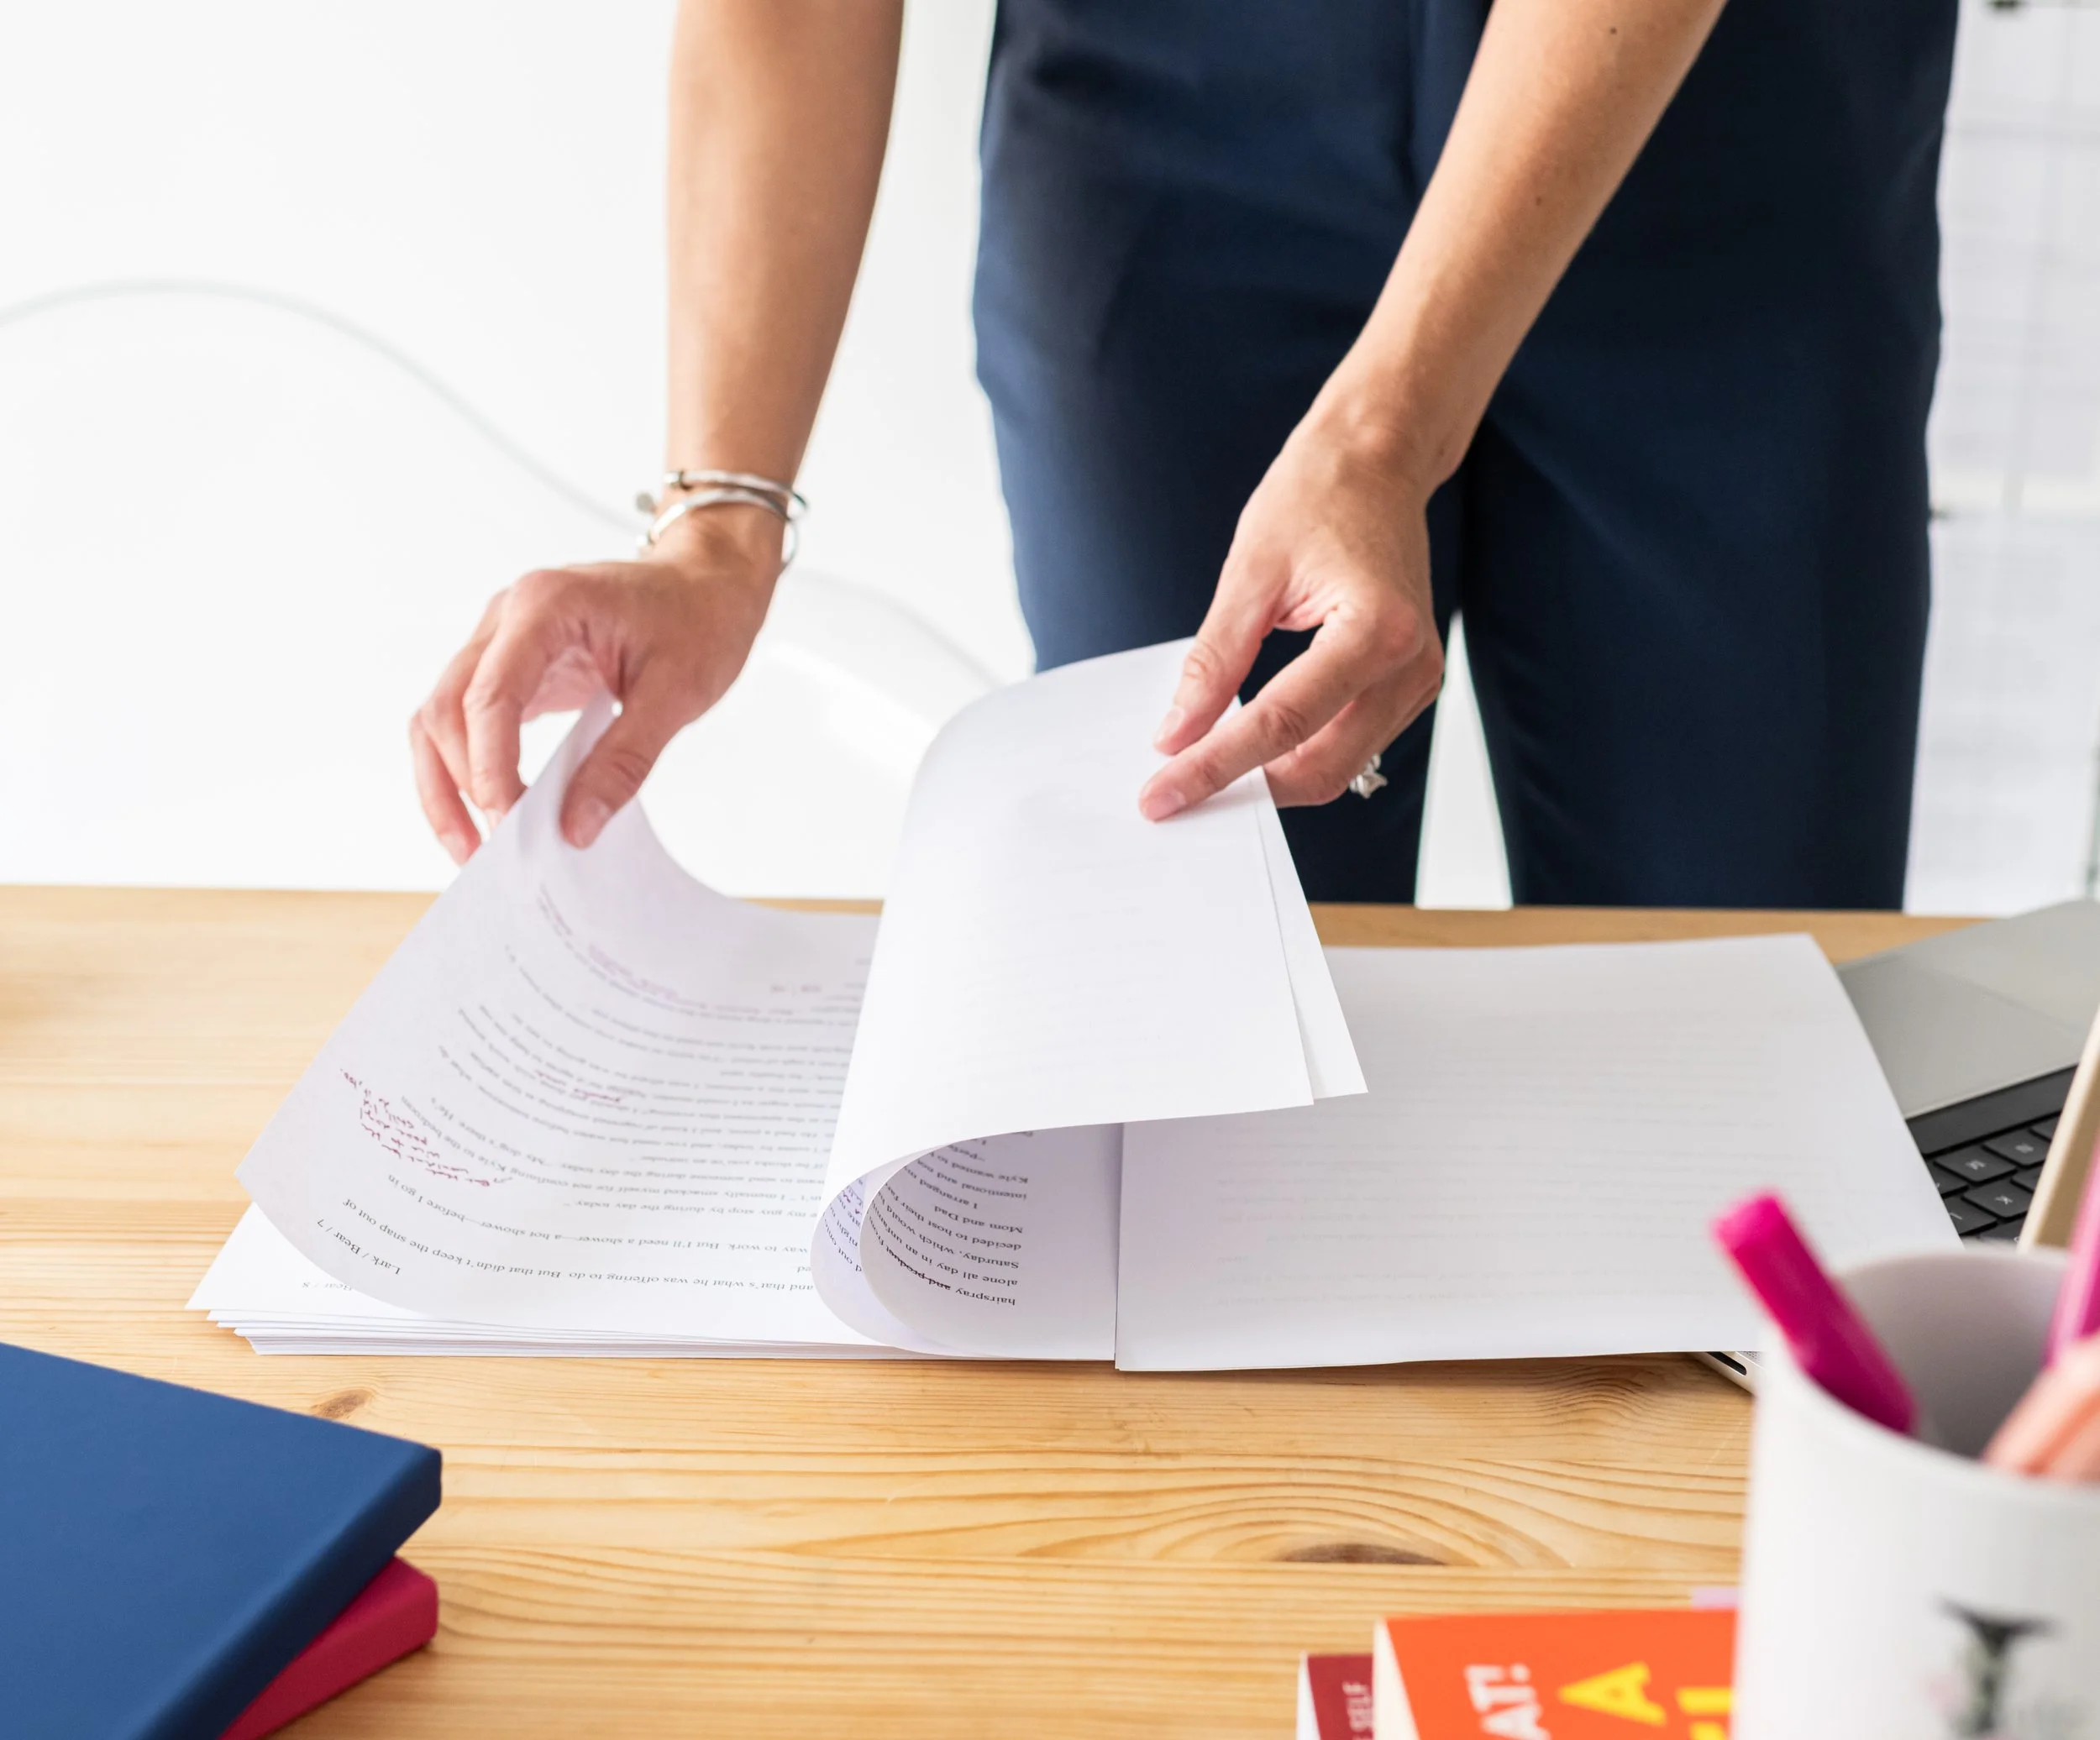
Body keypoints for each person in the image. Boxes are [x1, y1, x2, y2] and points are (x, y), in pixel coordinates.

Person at [412, 0, 1957, 907]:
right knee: (1194, 997)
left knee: (1743, 995)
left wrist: (1384, 426)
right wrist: (716, 527)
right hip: (1168, 145)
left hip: (1711, 122)